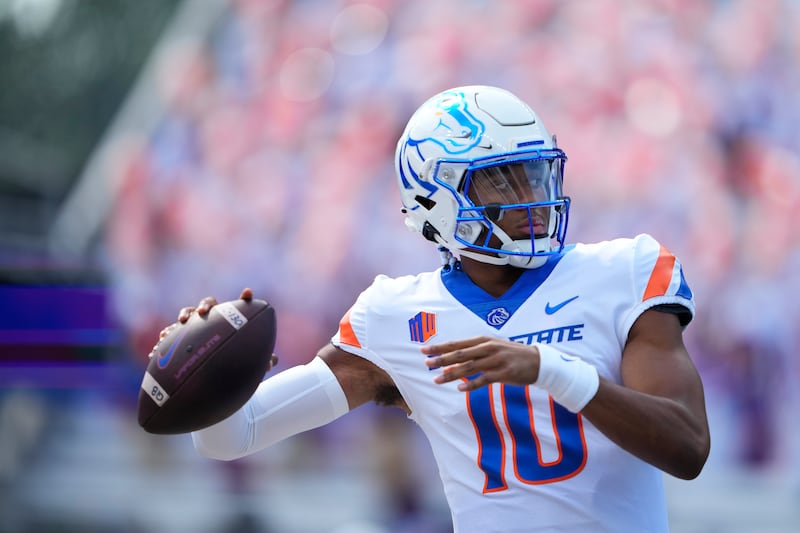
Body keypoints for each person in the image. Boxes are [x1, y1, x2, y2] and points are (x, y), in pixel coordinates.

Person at [172, 86, 710, 532]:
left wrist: (549, 370)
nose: (532, 195)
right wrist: (207, 377)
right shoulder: (395, 315)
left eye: (535, 172)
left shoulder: (625, 270)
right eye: (503, 179)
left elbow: (687, 448)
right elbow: (235, 437)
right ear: (437, 199)